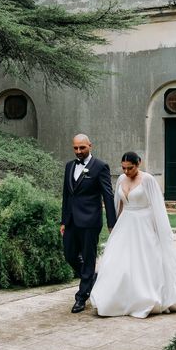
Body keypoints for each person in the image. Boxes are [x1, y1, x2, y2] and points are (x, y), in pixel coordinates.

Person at [89, 151, 176, 318]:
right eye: (124, 168)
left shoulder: (147, 180)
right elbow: (118, 205)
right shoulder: (121, 179)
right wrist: (114, 226)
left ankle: (146, 297)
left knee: (145, 262)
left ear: (138, 163)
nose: (127, 171)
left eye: (130, 168)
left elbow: (157, 208)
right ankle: (118, 298)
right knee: (119, 261)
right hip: (125, 224)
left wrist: (159, 232)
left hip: (144, 224)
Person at [61, 134, 116, 314]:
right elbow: (66, 196)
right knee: (69, 254)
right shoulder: (70, 166)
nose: (78, 151)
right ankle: (92, 278)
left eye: (82, 148)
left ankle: (81, 297)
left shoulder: (100, 167)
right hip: (71, 222)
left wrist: (111, 222)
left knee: (88, 257)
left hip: (90, 221)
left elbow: (108, 195)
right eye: (75, 148)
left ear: (90, 146)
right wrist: (64, 220)